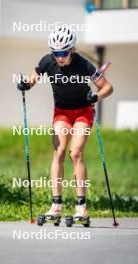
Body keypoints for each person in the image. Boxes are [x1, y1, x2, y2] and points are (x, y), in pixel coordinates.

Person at [17, 24, 113, 221]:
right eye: (56, 52)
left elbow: (108, 87)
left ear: (72, 49)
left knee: (76, 153)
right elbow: (35, 76)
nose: (59, 57)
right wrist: (27, 83)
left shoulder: (83, 64)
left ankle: (81, 207)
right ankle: (56, 205)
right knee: (59, 152)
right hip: (61, 113)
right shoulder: (48, 61)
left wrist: (96, 97)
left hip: (83, 112)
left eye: (63, 52)